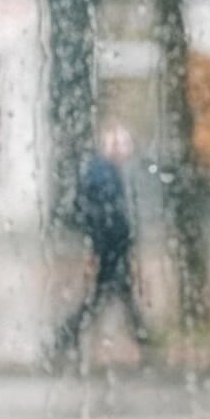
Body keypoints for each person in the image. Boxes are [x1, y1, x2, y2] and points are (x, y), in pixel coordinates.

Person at [52, 141, 150, 363]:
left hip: (112, 244)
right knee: (106, 295)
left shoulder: (102, 171)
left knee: (112, 294)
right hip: (111, 245)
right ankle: (68, 333)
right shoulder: (102, 173)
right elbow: (108, 214)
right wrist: (107, 245)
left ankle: (141, 335)